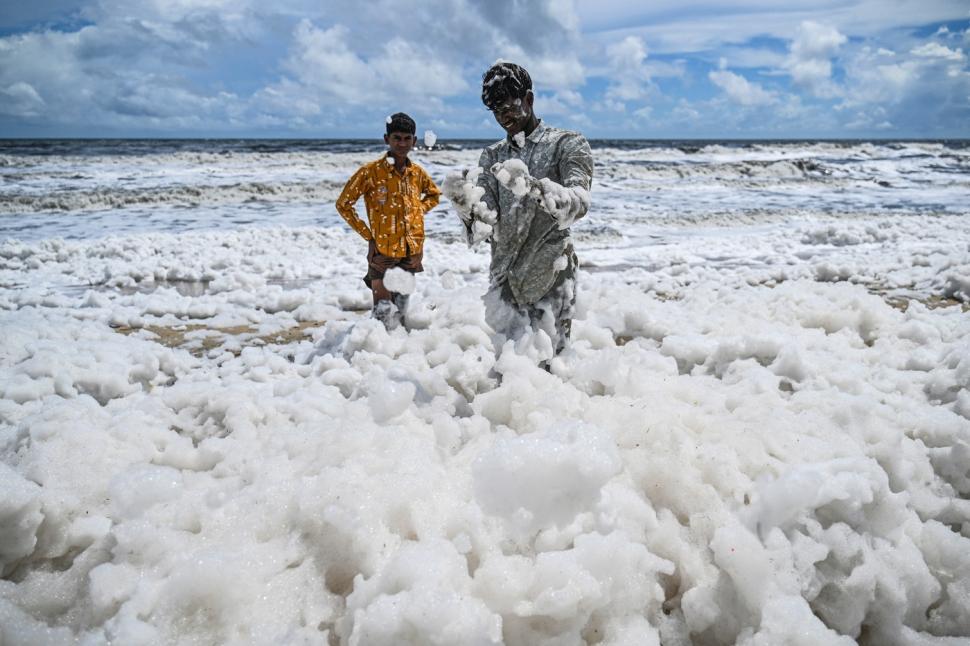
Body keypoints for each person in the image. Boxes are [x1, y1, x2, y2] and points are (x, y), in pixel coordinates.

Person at [445, 61, 593, 360]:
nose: (504, 117)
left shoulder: (567, 143)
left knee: (554, 363)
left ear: (529, 99)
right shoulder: (492, 155)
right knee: (510, 366)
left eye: (510, 106)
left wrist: (536, 188)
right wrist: (464, 205)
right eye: (496, 111)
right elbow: (485, 223)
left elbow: (579, 201)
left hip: (550, 273)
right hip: (504, 279)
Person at [336, 112, 441, 328]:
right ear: (387, 139)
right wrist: (369, 235)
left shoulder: (417, 173)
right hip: (382, 250)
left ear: (414, 141)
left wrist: (417, 211)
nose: (402, 143)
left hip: (411, 250)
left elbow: (434, 195)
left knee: (400, 313)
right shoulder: (370, 172)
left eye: (407, 138)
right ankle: (374, 355)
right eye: (397, 138)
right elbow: (343, 204)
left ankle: (397, 356)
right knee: (383, 313)